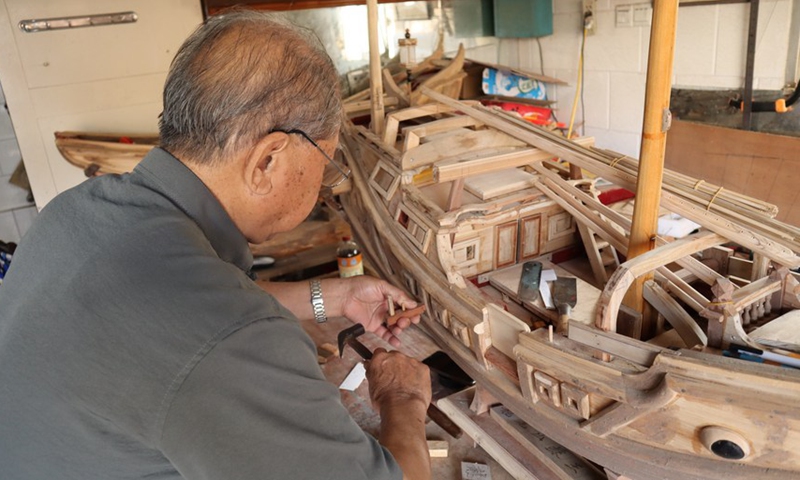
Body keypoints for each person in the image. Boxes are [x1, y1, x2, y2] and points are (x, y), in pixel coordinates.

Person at [0, 10, 432, 480]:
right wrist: (403, 400)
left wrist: (336, 297)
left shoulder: (74, 212)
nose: (322, 185)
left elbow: (180, 312)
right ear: (267, 160)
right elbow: (217, 331)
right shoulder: (233, 339)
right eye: (325, 164)